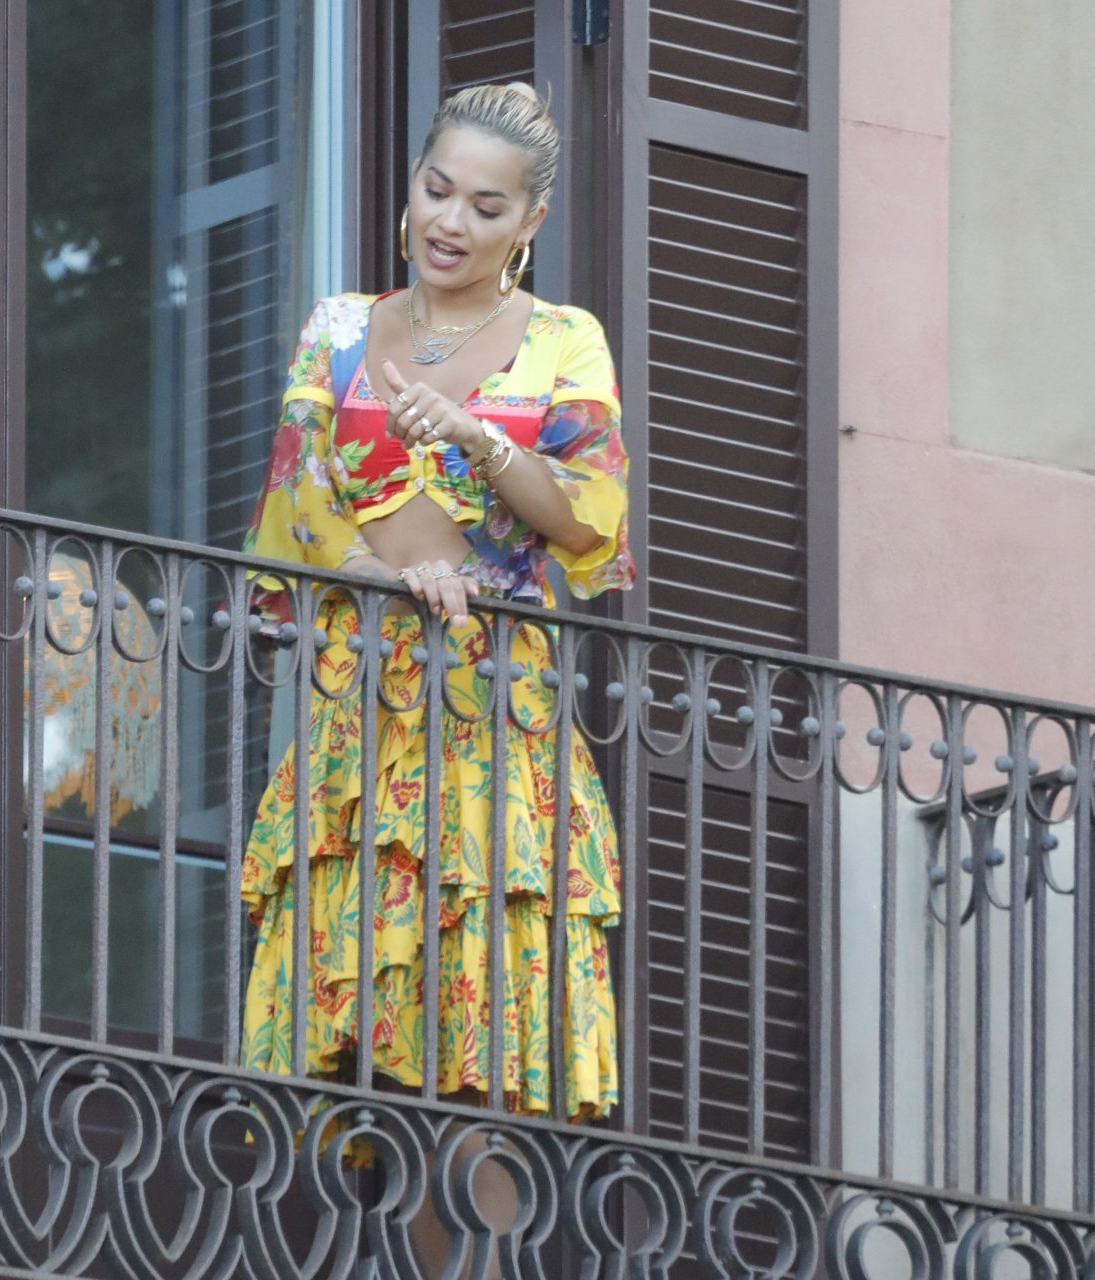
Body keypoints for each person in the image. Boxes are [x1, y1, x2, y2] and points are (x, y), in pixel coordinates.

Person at [239, 83, 634, 1128]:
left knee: (480, 1064)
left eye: (486, 206)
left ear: (530, 221)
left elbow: (588, 521)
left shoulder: (565, 341)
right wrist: (375, 572)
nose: (450, 222)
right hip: (360, 717)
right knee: (364, 1060)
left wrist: (477, 435)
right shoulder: (338, 329)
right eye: (437, 189)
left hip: (492, 717)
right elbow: (294, 502)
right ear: (411, 187)